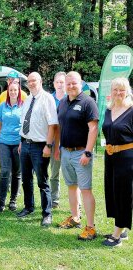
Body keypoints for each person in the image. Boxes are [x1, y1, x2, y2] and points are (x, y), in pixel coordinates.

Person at [55, 71, 98, 240]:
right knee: (72, 186)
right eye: (68, 83)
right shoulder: (63, 102)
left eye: (74, 83)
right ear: (64, 85)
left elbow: (93, 129)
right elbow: (60, 126)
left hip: (81, 153)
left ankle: (91, 227)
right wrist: (58, 147)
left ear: (81, 84)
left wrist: (87, 152)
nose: (71, 86)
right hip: (65, 152)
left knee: (86, 189)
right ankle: (75, 218)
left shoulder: (88, 102)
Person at [17, 72, 58, 227]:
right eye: (29, 81)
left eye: (34, 80)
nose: (31, 83)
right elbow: (24, 124)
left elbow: (52, 124)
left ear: (40, 81)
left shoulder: (47, 98)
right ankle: (29, 207)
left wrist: (48, 145)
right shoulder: (27, 100)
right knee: (26, 179)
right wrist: (22, 141)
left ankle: (47, 214)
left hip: (40, 146)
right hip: (25, 144)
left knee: (42, 180)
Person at [102, 77, 133, 247]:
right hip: (110, 156)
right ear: (111, 92)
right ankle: (121, 228)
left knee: (123, 193)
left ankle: (117, 235)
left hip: (127, 157)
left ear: (127, 91)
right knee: (113, 192)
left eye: (122, 89)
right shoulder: (109, 109)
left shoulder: (131, 110)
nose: (118, 93)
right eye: (115, 89)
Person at [0, 81, 23, 213]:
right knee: (5, 172)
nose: (13, 92)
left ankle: (13, 201)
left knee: (17, 174)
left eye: (15, 90)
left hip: (18, 143)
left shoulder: (23, 106)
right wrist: (5, 134)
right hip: (4, 143)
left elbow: (24, 125)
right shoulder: (2, 106)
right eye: (11, 90)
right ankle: (1, 202)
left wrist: (21, 141)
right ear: (8, 92)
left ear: (19, 92)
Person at [49, 72, 67, 208]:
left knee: (70, 174)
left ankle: (76, 205)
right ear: (54, 83)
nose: (60, 84)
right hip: (49, 140)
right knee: (53, 172)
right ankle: (53, 200)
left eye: (62, 82)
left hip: (67, 142)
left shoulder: (70, 99)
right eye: (58, 82)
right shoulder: (48, 99)